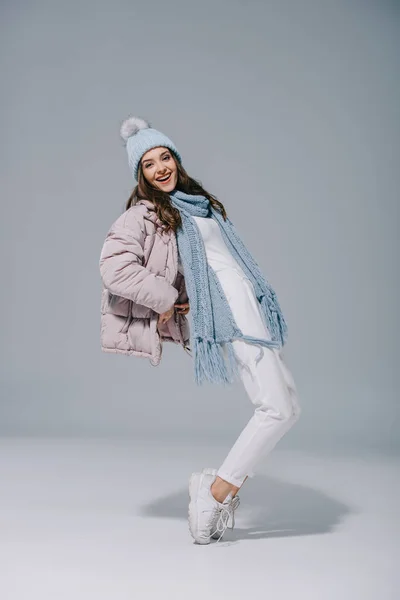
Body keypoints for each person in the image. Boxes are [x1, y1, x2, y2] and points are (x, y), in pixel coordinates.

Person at [99, 116, 301, 545]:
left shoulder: (198, 204)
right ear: (141, 175)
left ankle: (213, 487)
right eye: (149, 164)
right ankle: (214, 494)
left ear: (176, 159)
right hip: (229, 317)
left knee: (289, 409)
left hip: (253, 309)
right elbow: (115, 267)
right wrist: (168, 300)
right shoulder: (148, 215)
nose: (160, 168)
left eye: (165, 156)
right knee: (276, 410)